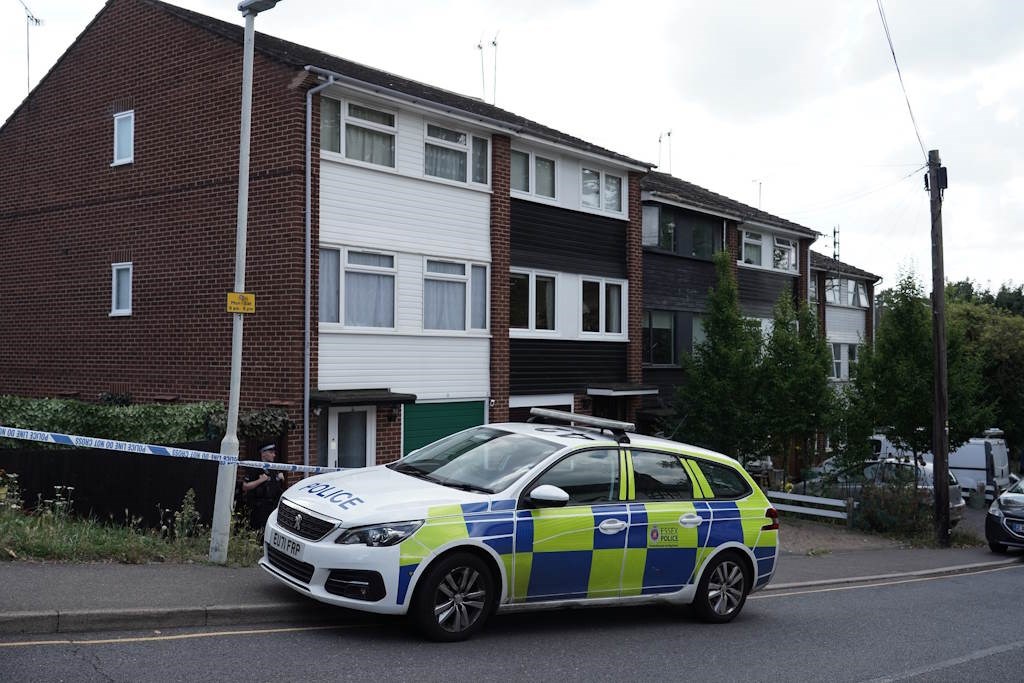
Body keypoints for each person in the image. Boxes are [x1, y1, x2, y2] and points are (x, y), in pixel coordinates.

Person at [241, 443, 286, 532]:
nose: (274, 455)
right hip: (259, 506)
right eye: (271, 452)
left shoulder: (274, 467)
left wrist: (281, 478)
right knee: (258, 530)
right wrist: (260, 481)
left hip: (273, 506)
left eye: (274, 453)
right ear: (263, 453)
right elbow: (245, 487)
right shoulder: (255, 467)